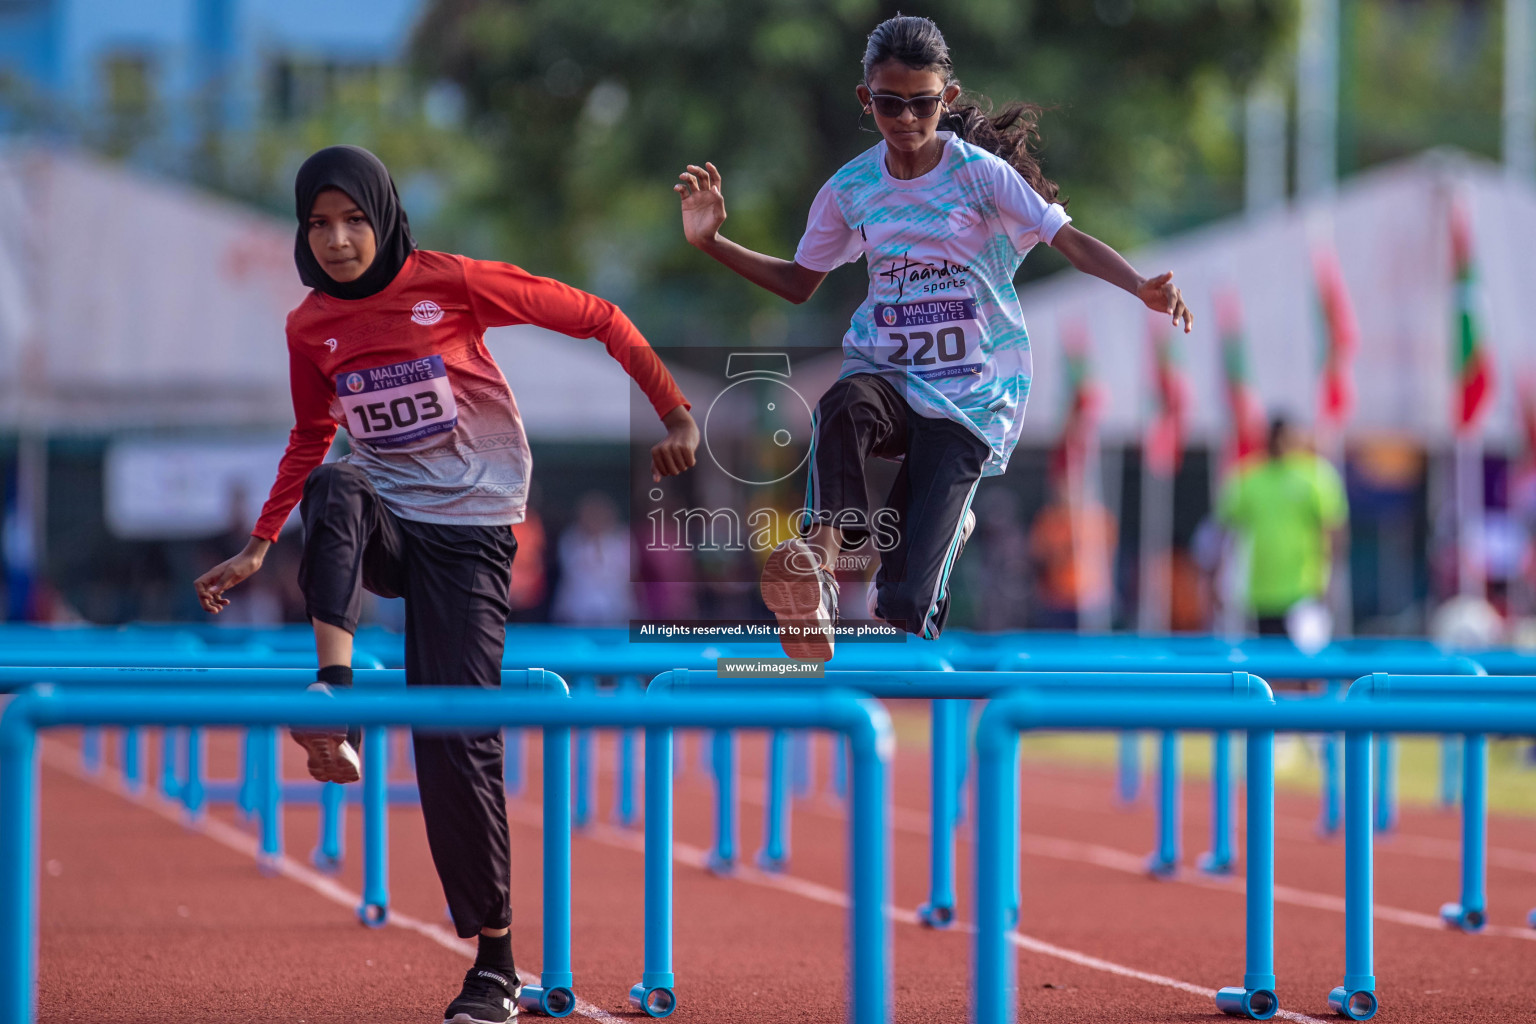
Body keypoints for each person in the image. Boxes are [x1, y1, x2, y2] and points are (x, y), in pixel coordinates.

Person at [193, 146, 697, 1024]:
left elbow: (599, 316)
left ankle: (495, 965)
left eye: (355, 220)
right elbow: (313, 436)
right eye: (321, 224)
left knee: (454, 742)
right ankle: (334, 697)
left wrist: (676, 408)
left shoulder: (452, 282)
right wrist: (258, 543)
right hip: (389, 516)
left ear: (385, 218)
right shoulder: (310, 327)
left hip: (470, 534)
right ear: (303, 232)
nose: (340, 240)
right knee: (340, 481)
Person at [674, 15, 1191, 659]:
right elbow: (801, 281)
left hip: (971, 400)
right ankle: (821, 571)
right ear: (867, 100)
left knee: (905, 607)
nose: (906, 118)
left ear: (945, 99)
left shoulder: (980, 176)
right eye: (889, 103)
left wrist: (1140, 284)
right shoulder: (852, 188)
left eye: (922, 103)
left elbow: (1070, 239)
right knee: (842, 404)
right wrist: (712, 243)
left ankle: (944, 531)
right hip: (888, 375)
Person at [1217, 415, 1347, 637]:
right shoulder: (1249, 477)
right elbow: (1226, 531)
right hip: (1261, 592)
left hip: (1305, 590)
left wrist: (1330, 580)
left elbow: (1333, 530)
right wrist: (1219, 582)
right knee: (1267, 666)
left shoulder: (1316, 475)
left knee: (1306, 664)